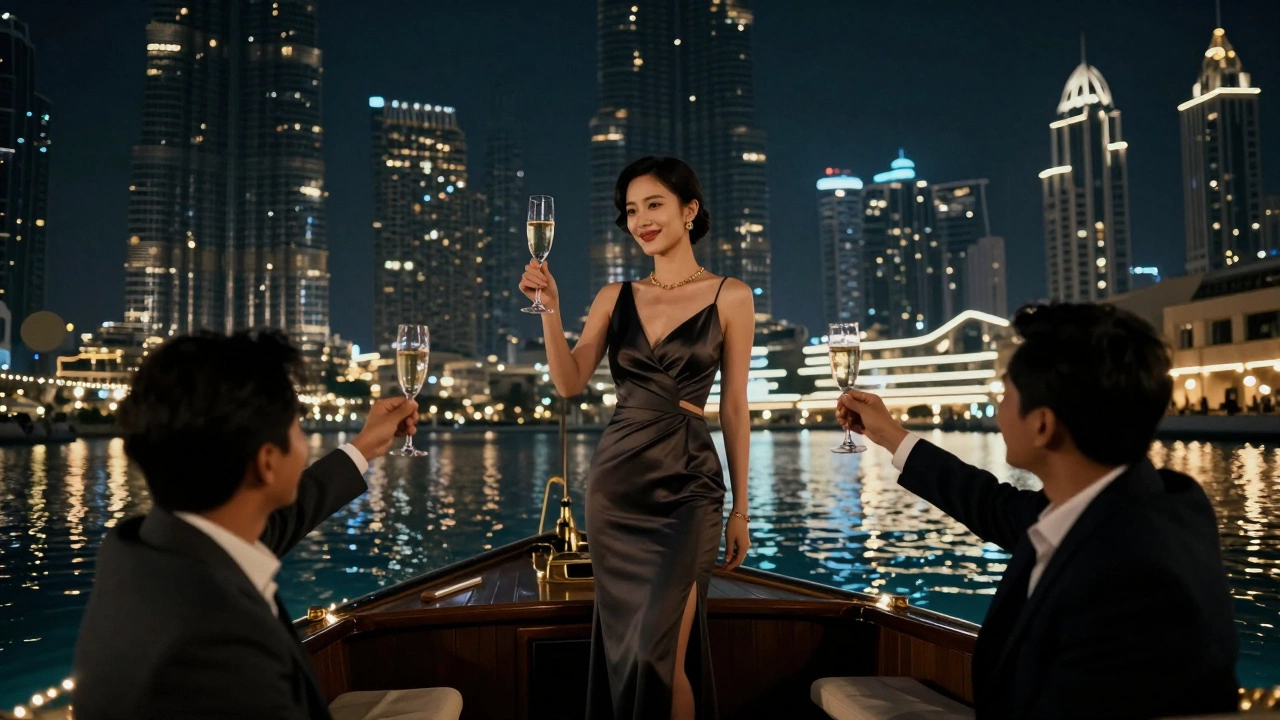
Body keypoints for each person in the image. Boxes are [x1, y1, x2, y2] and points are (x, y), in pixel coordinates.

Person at [837, 303, 1238, 719]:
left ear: (1043, 425)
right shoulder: (1152, 503)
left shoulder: (1130, 585)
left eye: (1005, 394)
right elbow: (994, 505)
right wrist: (891, 436)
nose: (997, 410)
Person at [73, 330, 420, 719]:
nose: (304, 444)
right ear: (267, 462)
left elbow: (282, 519)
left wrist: (365, 445)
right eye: (298, 429)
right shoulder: (220, 650)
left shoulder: (149, 548)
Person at [519, 156, 754, 720]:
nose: (642, 219)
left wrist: (742, 509)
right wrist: (549, 311)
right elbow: (570, 382)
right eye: (631, 210)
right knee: (633, 653)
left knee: (659, 653)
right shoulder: (612, 296)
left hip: (689, 485)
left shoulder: (732, 295)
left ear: (689, 210)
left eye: (655, 205)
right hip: (617, 488)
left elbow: (735, 406)